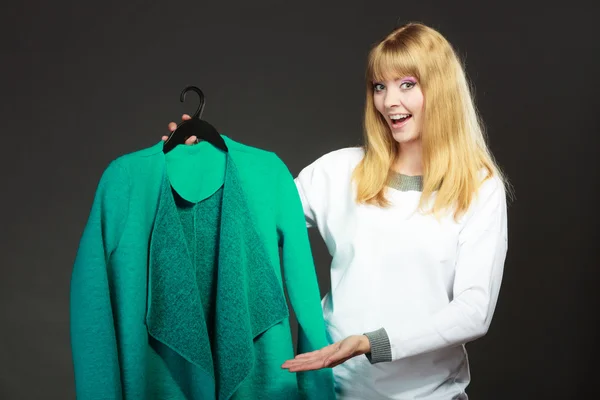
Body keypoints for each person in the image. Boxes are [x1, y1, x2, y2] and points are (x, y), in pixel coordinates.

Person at [162, 22, 509, 400]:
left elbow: (474, 310)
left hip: (432, 394)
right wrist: (198, 165)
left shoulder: (479, 187)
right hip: (332, 391)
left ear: (441, 89)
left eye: (406, 84)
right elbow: (253, 215)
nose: (389, 101)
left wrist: (369, 342)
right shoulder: (340, 170)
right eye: (380, 86)